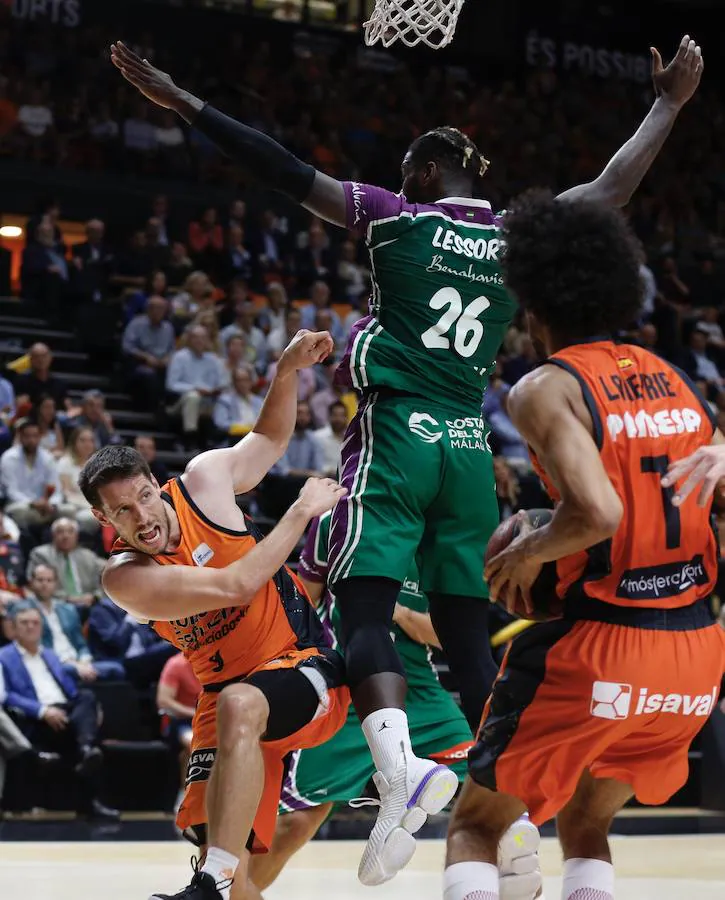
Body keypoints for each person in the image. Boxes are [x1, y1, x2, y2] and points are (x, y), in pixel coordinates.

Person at [110, 34, 704, 886]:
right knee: (467, 628)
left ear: (421, 173)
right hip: (471, 443)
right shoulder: (509, 235)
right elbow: (607, 191)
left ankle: (398, 773)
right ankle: (513, 810)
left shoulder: (394, 213)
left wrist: (186, 104)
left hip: (400, 431)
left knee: (363, 602)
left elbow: (280, 167)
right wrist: (666, 106)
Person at [443, 191, 725, 900]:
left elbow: (596, 512)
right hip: (694, 653)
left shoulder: (543, 387)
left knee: (474, 825)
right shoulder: (678, 379)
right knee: (587, 822)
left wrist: (531, 550)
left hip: (599, 643)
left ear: (532, 307)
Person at [77, 329, 350, 900]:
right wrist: (300, 512)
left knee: (241, 708)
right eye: (121, 513)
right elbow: (237, 584)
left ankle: (213, 880)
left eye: (143, 498)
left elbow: (272, 437)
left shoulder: (204, 480)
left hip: (302, 662)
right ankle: (224, 877)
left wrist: (284, 370)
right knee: (238, 859)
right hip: (225, 701)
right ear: (107, 522)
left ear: (157, 484)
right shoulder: (125, 578)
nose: (140, 518)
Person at [248, 509, 474, 892]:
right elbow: (302, 604)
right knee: (297, 820)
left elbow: (452, 636)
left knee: (485, 778)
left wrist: (395, 611)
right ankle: (235, 891)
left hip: (417, 687)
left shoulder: (445, 540)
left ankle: (495, 852)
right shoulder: (333, 523)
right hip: (346, 685)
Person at [0, 603, 119, 820]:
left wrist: (90, 710)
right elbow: (6, 695)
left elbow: (72, 693)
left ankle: (86, 749)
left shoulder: (51, 655)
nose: (30, 627)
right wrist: (42, 710)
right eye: (24, 623)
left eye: (35, 623)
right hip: (34, 718)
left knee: (88, 699)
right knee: (85, 733)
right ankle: (87, 762)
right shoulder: (4, 657)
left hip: (66, 711)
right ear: (14, 628)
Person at [27, 517, 105, 607]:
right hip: (57, 604)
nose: (65, 536)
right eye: (60, 532)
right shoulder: (41, 554)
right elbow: (36, 584)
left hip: (90, 604)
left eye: (70, 532)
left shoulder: (88, 556)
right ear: (53, 535)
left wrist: (94, 596)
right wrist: (69, 599)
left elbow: (100, 583)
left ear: (77, 535)